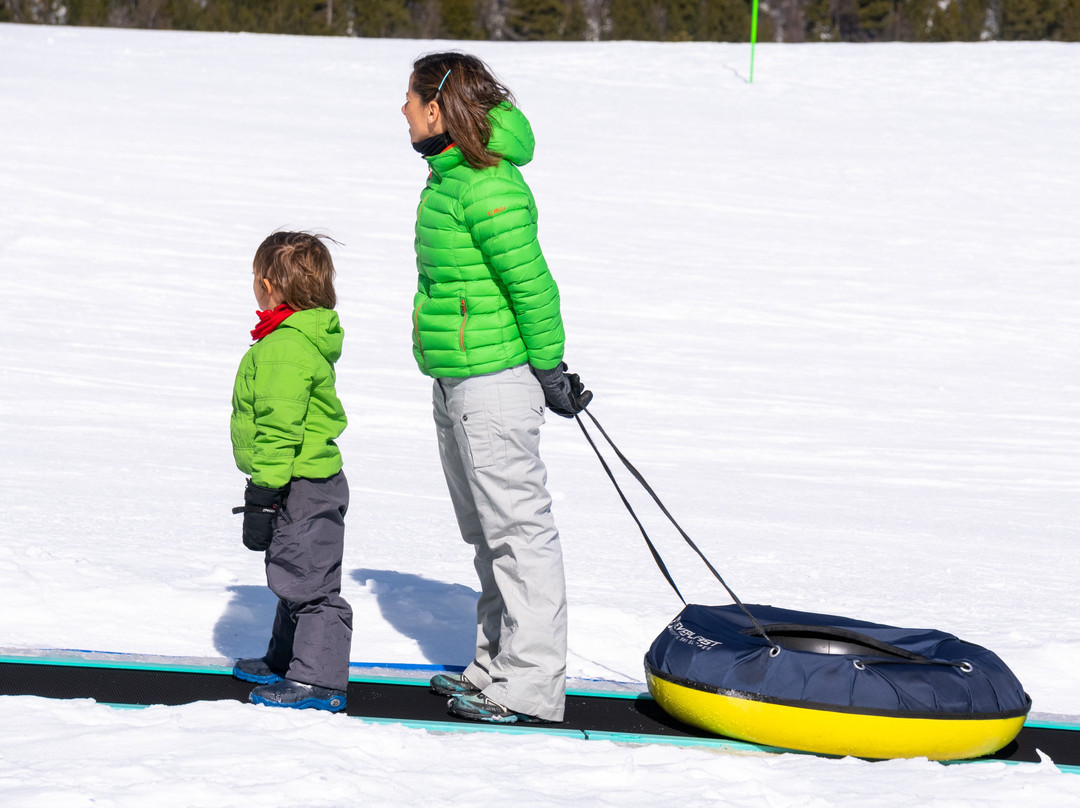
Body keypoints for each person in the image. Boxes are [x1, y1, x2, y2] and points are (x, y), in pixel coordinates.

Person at [402, 52, 592, 724]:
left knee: (519, 533)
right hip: (456, 378)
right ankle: (494, 668)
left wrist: (550, 369)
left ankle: (532, 685)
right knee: (485, 533)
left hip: (495, 383)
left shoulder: (489, 186)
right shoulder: (450, 176)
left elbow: (531, 284)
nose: (402, 111)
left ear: (438, 108)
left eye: (410, 99)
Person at [229, 231, 353, 712]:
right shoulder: (296, 338)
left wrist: (263, 491)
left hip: (298, 482)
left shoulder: (284, 348)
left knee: (311, 585)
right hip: (302, 481)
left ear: (268, 285)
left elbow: (281, 428)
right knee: (294, 573)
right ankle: (287, 661)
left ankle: (318, 681)